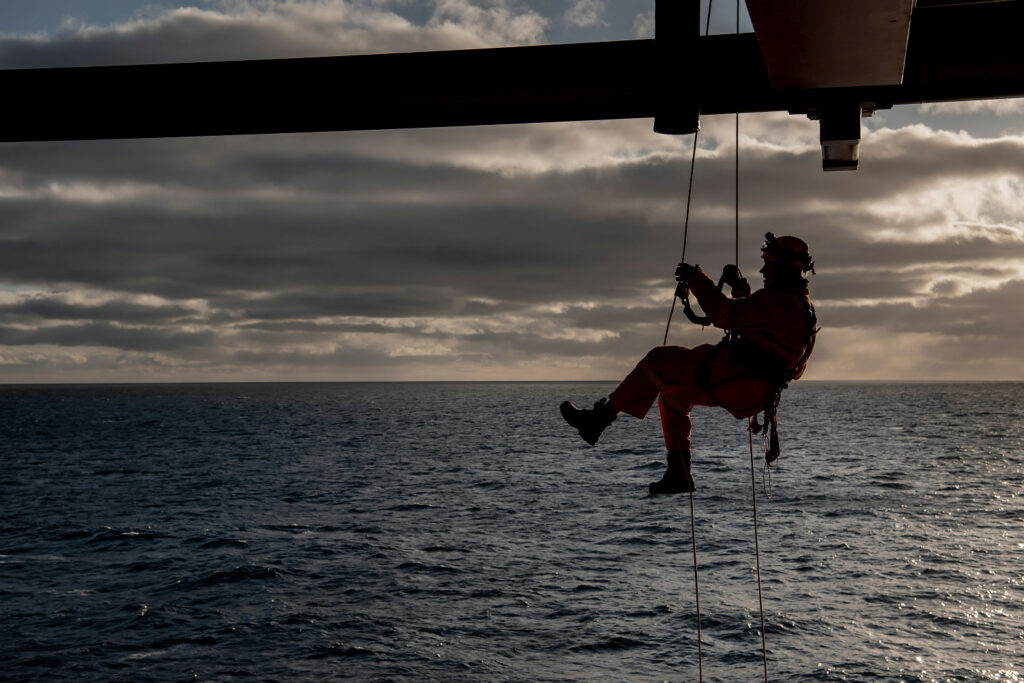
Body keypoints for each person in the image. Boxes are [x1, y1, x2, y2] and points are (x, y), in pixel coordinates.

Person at [560, 233, 817, 494]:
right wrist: (742, 292)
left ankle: (597, 421)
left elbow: (723, 314)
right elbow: (757, 321)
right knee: (673, 394)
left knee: (657, 361)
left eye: (769, 265)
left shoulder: (778, 302)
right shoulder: (801, 307)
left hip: (735, 378)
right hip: (753, 390)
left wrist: (695, 278)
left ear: (782, 268)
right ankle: (679, 474)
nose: (763, 269)